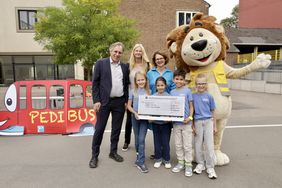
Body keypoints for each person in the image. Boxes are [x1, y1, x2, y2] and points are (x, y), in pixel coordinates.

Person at [89, 42, 129, 168]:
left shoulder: (124, 67)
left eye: (119, 52)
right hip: (103, 102)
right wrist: (96, 100)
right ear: (110, 51)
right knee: (99, 129)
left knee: (116, 129)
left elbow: (126, 85)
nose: (117, 54)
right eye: (115, 51)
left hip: (119, 102)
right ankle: (94, 155)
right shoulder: (101, 63)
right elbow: (95, 84)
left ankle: (113, 152)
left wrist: (126, 101)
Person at [147, 51, 175, 159]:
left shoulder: (170, 73)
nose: (159, 60)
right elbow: (148, 88)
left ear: (165, 59)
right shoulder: (150, 73)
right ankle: (158, 153)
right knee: (157, 130)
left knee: (166, 129)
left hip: (167, 105)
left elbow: (172, 88)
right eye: (157, 59)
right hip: (155, 105)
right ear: (154, 61)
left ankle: (165, 153)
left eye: (161, 58)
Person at [122, 44, 150, 152]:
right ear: (133, 52)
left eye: (140, 51)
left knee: (142, 119)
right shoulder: (129, 65)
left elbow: (148, 80)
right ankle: (127, 141)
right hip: (132, 95)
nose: (138, 53)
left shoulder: (147, 65)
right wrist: (126, 99)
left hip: (143, 96)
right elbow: (125, 82)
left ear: (143, 52)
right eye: (136, 51)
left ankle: (140, 143)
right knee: (130, 120)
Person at [192, 73, 217, 179]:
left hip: (208, 122)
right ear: (195, 84)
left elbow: (213, 111)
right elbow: (192, 112)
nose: (201, 86)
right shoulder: (193, 96)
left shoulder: (209, 96)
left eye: (203, 83)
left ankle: (210, 167)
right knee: (198, 144)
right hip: (197, 122)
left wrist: (214, 126)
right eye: (198, 84)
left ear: (206, 84)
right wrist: (192, 125)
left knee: (209, 145)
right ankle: (200, 163)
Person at [170, 69, 194, 177]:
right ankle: (181, 163)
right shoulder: (172, 92)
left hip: (186, 123)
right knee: (178, 145)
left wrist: (190, 117)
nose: (179, 81)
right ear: (173, 79)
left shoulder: (188, 91)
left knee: (187, 145)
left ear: (184, 80)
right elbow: (171, 107)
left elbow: (191, 106)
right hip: (176, 123)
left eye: (181, 79)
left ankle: (188, 164)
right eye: (177, 79)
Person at [127, 72, 150, 173]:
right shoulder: (132, 91)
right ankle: (138, 156)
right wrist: (135, 113)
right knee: (137, 139)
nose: (141, 82)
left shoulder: (149, 91)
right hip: (135, 118)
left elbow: (152, 105)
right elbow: (128, 106)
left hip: (144, 119)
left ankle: (141, 162)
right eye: (138, 80)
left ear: (145, 80)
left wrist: (150, 116)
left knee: (141, 139)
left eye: (142, 80)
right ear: (136, 82)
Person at [151, 77, 172, 169]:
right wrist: (149, 118)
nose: (160, 87)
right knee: (157, 142)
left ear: (165, 85)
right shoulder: (152, 97)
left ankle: (166, 159)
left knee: (165, 142)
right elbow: (150, 110)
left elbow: (172, 111)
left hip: (166, 124)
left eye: (162, 85)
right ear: (156, 86)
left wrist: (170, 118)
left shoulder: (170, 97)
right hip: (155, 123)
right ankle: (158, 159)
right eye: (158, 85)